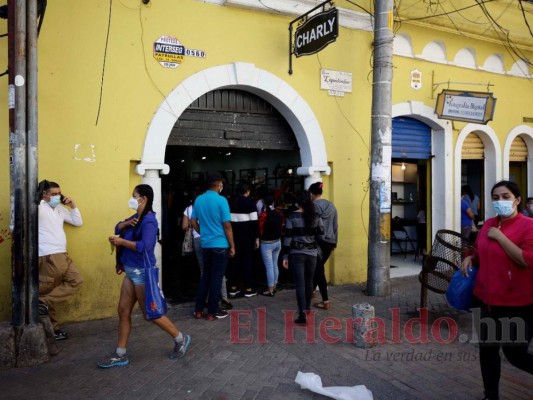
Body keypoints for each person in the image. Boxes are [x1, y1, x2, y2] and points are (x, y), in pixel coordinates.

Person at [98, 184, 190, 368]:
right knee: (123, 312)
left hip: (142, 273)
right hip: (131, 271)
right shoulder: (135, 218)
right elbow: (118, 227)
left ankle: (181, 338)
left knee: (151, 314)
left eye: (134, 196)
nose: (131, 199)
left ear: (143, 199)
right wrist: (123, 227)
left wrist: (122, 241)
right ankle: (120, 354)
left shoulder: (149, 220)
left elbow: (145, 247)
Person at [461, 180, 533, 400]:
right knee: (488, 352)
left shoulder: (528, 226)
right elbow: (481, 252)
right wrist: (471, 258)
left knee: (516, 355)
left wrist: (501, 238)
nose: (499, 201)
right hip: (485, 300)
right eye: (495, 197)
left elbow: (526, 260)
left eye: (505, 196)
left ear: (517, 200)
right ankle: (490, 395)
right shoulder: (488, 224)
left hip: (518, 304)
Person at [38, 180, 84, 341]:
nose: (57, 196)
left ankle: (42, 302)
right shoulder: (39, 208)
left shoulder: (59, 209)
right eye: (54, 194)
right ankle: (53, 329)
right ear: (44, 195)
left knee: (76, 280)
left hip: (63, 254)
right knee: (47, 288)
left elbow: (78, 222)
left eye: (59, 193)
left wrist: (72, 205)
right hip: (48, 255)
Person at [191, 172, 236, 320]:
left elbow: (193, 222)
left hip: (206, 244)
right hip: (220, 244)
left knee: (205, 276)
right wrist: (232, 245)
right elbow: (227, 225)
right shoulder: (222, 200)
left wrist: (203, 233)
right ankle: (213, 311)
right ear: (218, 184)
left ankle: (198, 310)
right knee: (216, 278)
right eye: (222, 183)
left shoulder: (199, 200)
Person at [282, 191, 324, 324]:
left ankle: (302, 315)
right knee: (309, 282)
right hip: (312, 253)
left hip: (296, 254)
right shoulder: (316, 216)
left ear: (298, 202)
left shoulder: (291, 216)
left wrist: (285, 256)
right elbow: (321, 235)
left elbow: (287, 238)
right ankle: (307, 308)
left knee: (300, 284)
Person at [182, 200, 232, 310]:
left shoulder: (189, 208)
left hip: (198, 239)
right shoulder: (212, 203)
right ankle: (223, 298)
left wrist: (198, 230)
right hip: (214, 238)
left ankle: (205, 300)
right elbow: (226, 224)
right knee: (218, 271)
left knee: (204, 271)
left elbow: (185, 226)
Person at [308, 182, 338, 310]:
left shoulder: (312, 206)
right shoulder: (331, 206)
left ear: (311, 194)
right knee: (317, 267)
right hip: (330, 241)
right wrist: (335, 242)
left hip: (318, 241)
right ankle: (311, 291)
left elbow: (313, 226)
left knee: (318, 270)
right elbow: (336, 225)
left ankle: (325, 301)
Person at [227, 181, 260, 298]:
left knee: (234, 263)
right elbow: (254, 222)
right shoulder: (250, 203)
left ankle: (233, 288)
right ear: (247, 191)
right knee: (247, 262)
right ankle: (248, 288)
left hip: (233, 238)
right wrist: (256, 238)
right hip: (247, 238)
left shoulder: (231, 202)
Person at [258, 194, 284, 297]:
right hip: (277, 242)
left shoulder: (264, 215)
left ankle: (270, 289)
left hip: (267, 243)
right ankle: (275, 286)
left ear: (264, 202)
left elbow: (260, 229)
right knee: (275, 265)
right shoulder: (278, 213)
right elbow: (281, 226)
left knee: (269, 267)